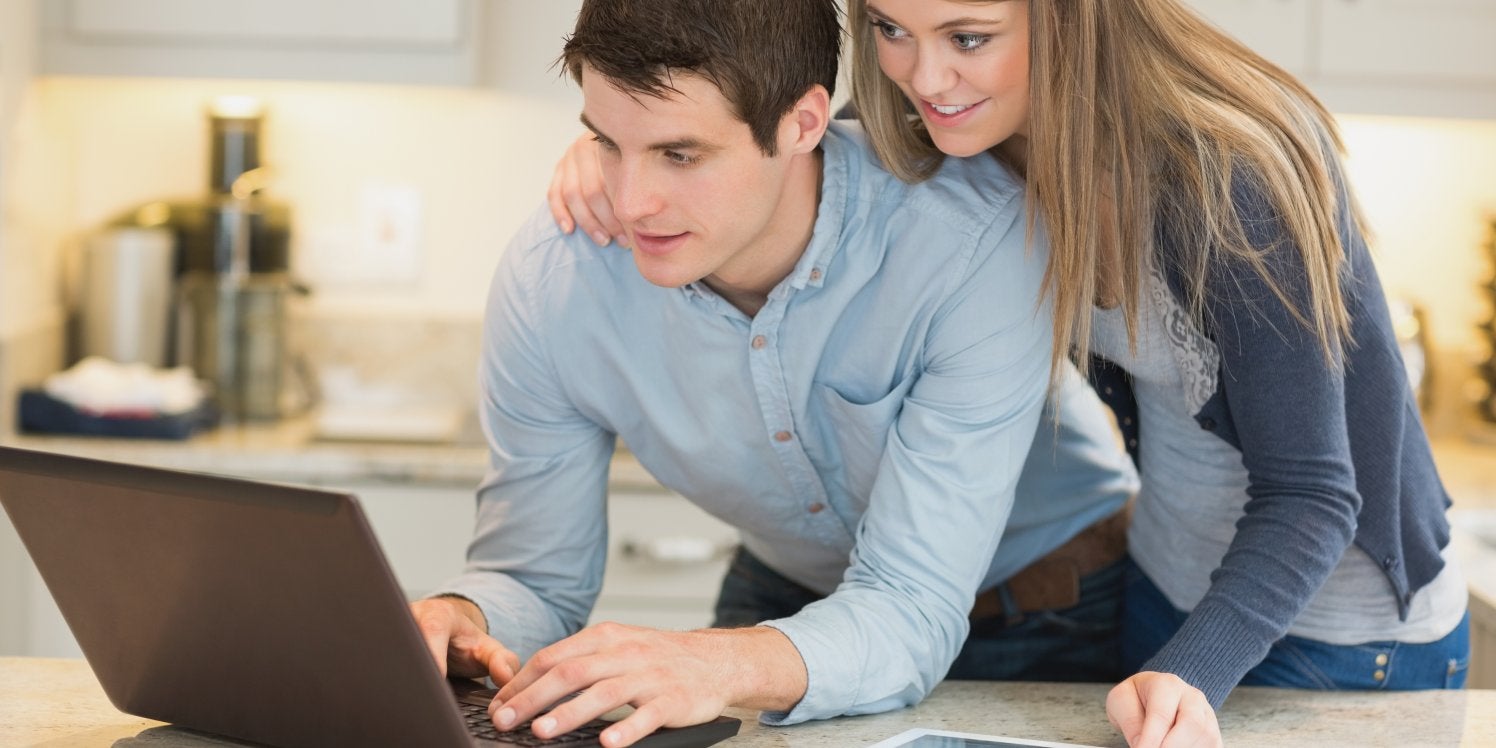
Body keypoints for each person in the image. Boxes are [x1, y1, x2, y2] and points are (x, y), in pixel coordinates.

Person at [549, 1, 1472, 747]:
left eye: (970, 37)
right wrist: (624, 150)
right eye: (891, 29)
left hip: (1336, 628)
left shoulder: (1227, 177)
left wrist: (1195, 668)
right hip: (1168, 593)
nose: (924, 74)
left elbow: (1314, 493)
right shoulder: (985, 128)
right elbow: (767, 139)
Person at [416, 1, 1138, 747]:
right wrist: (461, 617)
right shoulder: (554, 282)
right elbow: (535, 579)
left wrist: (713, 660)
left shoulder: (971, 247)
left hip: (1051, 602)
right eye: (606, 142)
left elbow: (909, 608)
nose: (631, 203)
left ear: (802, 123)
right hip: (790, 596)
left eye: (680, 155)